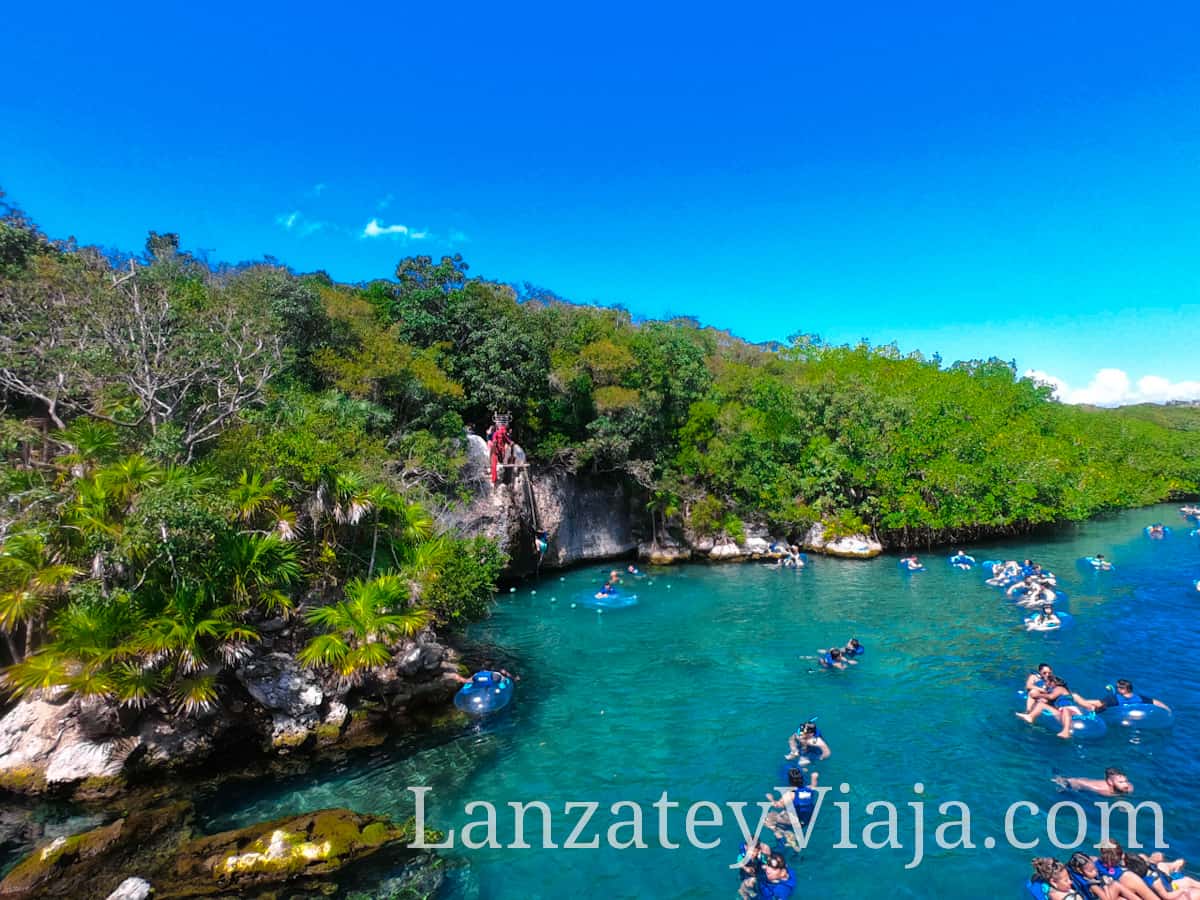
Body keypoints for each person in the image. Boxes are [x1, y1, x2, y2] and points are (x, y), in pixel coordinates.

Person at [1016, 676, 1092, 739]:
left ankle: (1066, 732)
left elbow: (1051, 697)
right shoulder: (1054, 692)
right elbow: (1048, 700)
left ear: (1053, 683)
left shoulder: (1060, 688)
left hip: (1070, 710)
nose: (1046, 684)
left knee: (1065, 709)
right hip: (1060, 712)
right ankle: (1030, 717)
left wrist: (1038, 695)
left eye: (1047, 682)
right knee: (1041, 705)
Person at [1083, 679, 1172, 715]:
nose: (1117, 688)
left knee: (1095, 708)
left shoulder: (1114, 699)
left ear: (1123, 689)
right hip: (1134, 717)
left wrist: (1081, 701)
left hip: (1115, 713)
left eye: (1118, 687)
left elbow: (1097, 703)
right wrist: (1168, 710)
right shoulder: (1139, 698)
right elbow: (1157, 702)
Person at [1053, 767, 1133, 797]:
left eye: (1125, 781)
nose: (1125, 784)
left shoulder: (1129, 787)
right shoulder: (1103, 791)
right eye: (1121, 782)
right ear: (1110, 782)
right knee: (1064, 786)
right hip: (1080, 784)